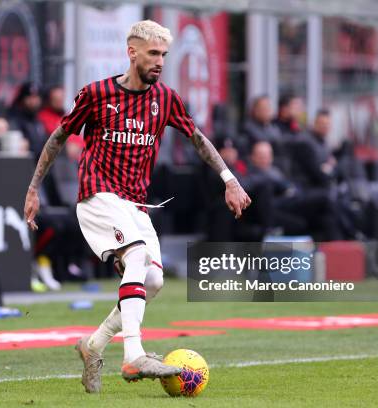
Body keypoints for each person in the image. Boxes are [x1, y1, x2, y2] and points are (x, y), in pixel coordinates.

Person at [23, 20, 251, 392]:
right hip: (98, 195)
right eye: (153, 54)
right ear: (132, 53)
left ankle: (93, 344)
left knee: (154, 280)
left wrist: (230, 179)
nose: (160, 61)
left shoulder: (166, 99)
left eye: (164, 54)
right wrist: (34, 188)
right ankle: (133, 355)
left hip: (136, 203)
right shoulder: (96, 94)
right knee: (137, 255)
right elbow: (59, 136)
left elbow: (197, 138)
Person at [8, 82, 48, 158]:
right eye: (29, 97)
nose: (33, 101)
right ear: (22, 99)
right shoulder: (15, 120)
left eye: (36, 97)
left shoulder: (38, 120)